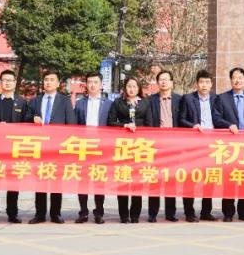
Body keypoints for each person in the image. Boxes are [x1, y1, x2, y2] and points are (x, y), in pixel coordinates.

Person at [213, 67, 244, 221]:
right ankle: (228, 213)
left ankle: (243, 211)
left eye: (240, 77)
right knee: (229, 179)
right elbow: (216, 118)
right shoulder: (222, 98)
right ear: (231, 80)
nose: (237, 80)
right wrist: (228, 125)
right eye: (235, 77)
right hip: (229, 146)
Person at [0, 69, 28, 224]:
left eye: (10, 80)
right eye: (4, 80)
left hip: (14, 150)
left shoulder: (22, 102)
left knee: (13, 183)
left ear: (15, 83)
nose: (7, 83)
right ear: (0, 83)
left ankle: (12, 213)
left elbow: (27, 124)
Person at [30, 70, 76, 224]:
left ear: (57, 83)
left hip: (58, 148)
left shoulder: (64, 101)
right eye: (46, 80)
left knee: (56, 182)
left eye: (51, 80)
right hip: (40, 147)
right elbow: (26, 119)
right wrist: (33, 119)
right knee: (40, 182)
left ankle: (56, 213)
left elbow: (71, 123)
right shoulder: (36, 101)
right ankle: (40, 214)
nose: (48, 82)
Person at [178, 69, 219, 222]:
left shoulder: (216, 99)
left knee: (209, 178)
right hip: (193, 145)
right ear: (197, 84)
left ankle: (206, 212)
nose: (204, 85)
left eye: (207, 82)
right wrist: (193, 126)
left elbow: (220, 118)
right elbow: (181, 119)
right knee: (190, 178)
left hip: (212, 144)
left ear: (211, 84)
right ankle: (189, 212)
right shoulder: (188, 99)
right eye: (201, 82)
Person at [142, 70, 182, 222]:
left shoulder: (180, 100)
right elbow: (146, 121)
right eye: (161, 79)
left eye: (167, 79)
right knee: (155, 179)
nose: (164, 82)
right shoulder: (150, 100)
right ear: (158, 83)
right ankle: (152, 213)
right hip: (156, 145)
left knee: (170, 179)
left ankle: (170, 213)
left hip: (174, 145)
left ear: (172, 82)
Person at [108, 77, 148, 223]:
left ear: (139, 88)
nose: (131, 89)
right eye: (129, 86)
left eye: (134, 86)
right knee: (123, 179)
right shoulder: (118, 103)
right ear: (125, 88)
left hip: (140, 146)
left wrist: (140, 128)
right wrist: (124, 125)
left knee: (137, 180)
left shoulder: (145, 103)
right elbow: (110, 122)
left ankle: (135, 214)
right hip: (123, 146)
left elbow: (150, 123)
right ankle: (123, 215)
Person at [74, 72, 110, 224]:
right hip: (83, 147)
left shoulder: (109, 104)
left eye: (95, 82)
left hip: (101, 147)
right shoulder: (80, 103)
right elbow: (74, 125)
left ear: (101, 85)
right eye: (89, 82)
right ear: (86, 85)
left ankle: (99, 212)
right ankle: (83, 212)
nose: (92, 85)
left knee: (99, 181)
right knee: (82, 181)